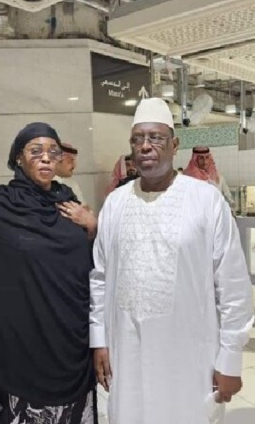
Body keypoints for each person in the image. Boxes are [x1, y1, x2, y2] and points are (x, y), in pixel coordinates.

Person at [90, 98, 254, 424]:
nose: (145, 147)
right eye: (137, 139)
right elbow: (100, 277)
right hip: (128, 354)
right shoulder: (115, 205)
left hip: (190, 360)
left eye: (156, 138)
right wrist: (100, 341)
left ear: (175, 144)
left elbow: (233, 286)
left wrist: (231, 358)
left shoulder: (206, 201)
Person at [0, 122, 97, 424]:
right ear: (18, 159)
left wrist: (92, 227)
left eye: (53, 151)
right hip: (18, 351)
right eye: (35, 151)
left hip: (69, 347)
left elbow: (91, 268)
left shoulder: (69, 203)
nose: (46, 158)